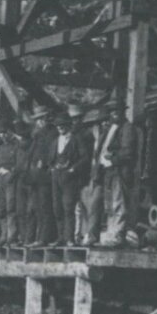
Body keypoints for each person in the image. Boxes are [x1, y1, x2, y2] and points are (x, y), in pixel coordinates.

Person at [97, 110, 138, 246]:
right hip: (110, 171)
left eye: (117, 111)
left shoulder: (127, 128)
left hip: (120, 170)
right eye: (112, 112)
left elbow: (128, 152)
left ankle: (118, 234)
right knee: (110, 204)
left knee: (119, 203)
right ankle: (111, 232)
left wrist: (112, 158)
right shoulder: (112, 128)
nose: (114, 115)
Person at [53, 105, 92, 245]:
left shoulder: (77, 139)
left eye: (63, 126)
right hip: (56, 177)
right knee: (57, 208)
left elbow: (85, 158)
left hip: (70, 179)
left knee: (68, 208)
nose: (60, 128)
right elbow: (49, 158)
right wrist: (52, 168)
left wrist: (73, 169)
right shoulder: (56, 141)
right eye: (58, 126)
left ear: (68, 126)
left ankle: (69, 238)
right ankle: (60, 237)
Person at [21, 108, 59, 244]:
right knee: (34, 209)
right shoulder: (37, 134)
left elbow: (53, 152)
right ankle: (32, 238)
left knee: (45, 207)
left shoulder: (53, 133)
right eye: (37, 119)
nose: (39, 122)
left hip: (44, 177)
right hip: (34, 177)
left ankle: (44, 238)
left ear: (47, 118)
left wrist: (45, 162)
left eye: (41, 118)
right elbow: (30, 153)